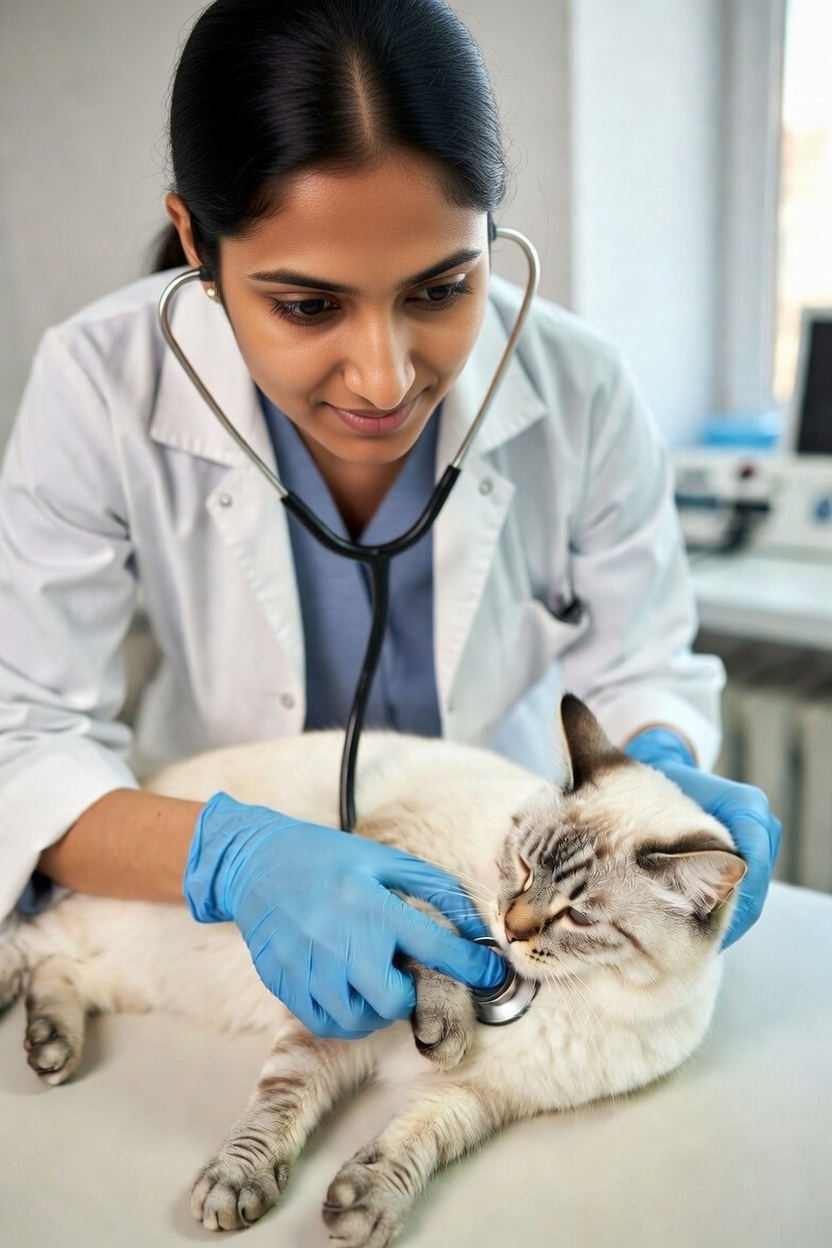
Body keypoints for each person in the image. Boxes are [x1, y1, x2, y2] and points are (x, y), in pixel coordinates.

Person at [0, 0, 779, 1039]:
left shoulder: (580, 385)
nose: (384, 376)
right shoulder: (98, 382)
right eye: (307, 305)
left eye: (440, 288)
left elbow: (641, 665)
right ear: (195, 237)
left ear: (490, 238)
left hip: (501, 918)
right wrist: (231, 859)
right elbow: (26, 742)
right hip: (212, 939)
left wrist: (659, 785)